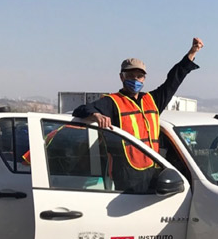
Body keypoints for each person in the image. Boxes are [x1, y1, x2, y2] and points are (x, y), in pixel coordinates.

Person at [72, 37, 204, 192]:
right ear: (122, 77)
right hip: (126, 175)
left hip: (153, 169)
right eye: (131, 76)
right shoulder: (112, 102)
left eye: (139, 76)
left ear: (144, 78)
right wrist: (96, 115)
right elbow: (80, 110)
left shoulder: (152, 100)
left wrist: (192, 52)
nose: (135, 79)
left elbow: (174, 79)